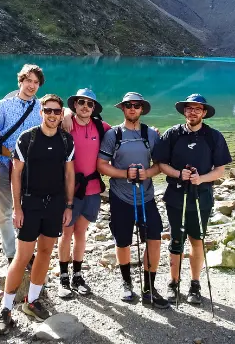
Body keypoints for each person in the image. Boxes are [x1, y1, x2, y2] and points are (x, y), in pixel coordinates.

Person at [0, 94, 75, 335]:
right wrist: (17, 208)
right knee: (22, 256)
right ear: (41, 112)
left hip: (55, 204)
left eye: (56, 112)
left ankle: (32, 301)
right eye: (48, 110)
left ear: (61, 115)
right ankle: (6, 309)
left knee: (46, 252)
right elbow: (16, 174)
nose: (52, 115)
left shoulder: (66, 140)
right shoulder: (26, 139)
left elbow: (69, 174)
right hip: (30, 204)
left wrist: (69, 205)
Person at [152, 94, 232, 305]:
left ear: (204, 113)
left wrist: (201, 179)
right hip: (175, 196)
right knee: (176, 240)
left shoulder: (213, 136)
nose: (193, 112)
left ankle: (195, 284)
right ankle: (173, 283)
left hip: (201, 197)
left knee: (197, 240)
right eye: (189, 108)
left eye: (198, 109)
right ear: (184, 111)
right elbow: (161, 164)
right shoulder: (173, 134)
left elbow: (220, 170)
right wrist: (179, 174)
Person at [97, 92, 169, 309]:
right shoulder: (113, 135)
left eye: (137, 106)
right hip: (120, 197)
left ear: (142, 109)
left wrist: (147, 173)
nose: (132, 109)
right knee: (123, 241)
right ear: (123, 109)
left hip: (146, 197)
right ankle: (126, 283)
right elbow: (102, 165)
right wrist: (124, 174)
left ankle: (149, 287)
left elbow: (160, 164)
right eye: (128, 105)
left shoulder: (151, 134)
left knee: (154, 239)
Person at [0, 64, 43, 265]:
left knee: (27, 209)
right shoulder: (4, 105)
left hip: (31, 169)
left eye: (36, 82)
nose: (32, 86)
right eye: (28, 81)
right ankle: (11, 253)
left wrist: (67, 115)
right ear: (20, 81)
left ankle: (25, 250)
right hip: (5, 163)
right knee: (6, 210)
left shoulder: (42, 107)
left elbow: (60, 112)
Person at [57, 88, 110, 298]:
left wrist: (152, 131)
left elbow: (124, 133)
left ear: (94, 108)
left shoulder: (101, 127)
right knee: (66, 231)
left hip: (92, 189)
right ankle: (63, 277)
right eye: (81, 103)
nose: (85, 107)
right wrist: (65, 114)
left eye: (90, 104)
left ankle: (77, 275)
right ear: (74, 106)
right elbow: (46, 110)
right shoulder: (65, 124)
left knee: (81, 232)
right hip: (69, 189)